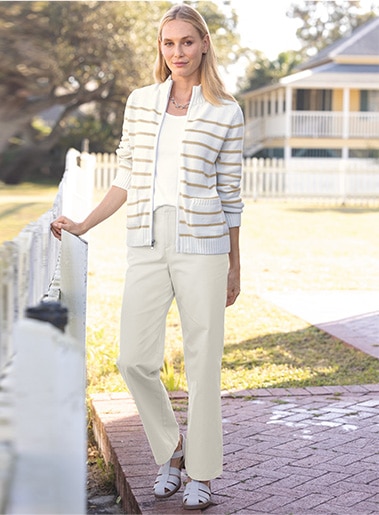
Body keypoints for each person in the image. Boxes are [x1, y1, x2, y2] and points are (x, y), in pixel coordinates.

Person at [51, 3, 244, 510]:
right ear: (160, 48)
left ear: (204, 44)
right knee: (133, 359)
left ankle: (201, 474)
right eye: (168, 42)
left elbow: (231, 194)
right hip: (147, 240)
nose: (177, 51)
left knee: (204, 365)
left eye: (186, 41)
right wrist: (84, 223)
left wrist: (234, 264)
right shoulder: (140, 102)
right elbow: (124, 177)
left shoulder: (226, 110)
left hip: (204, 244)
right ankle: (172, 449)